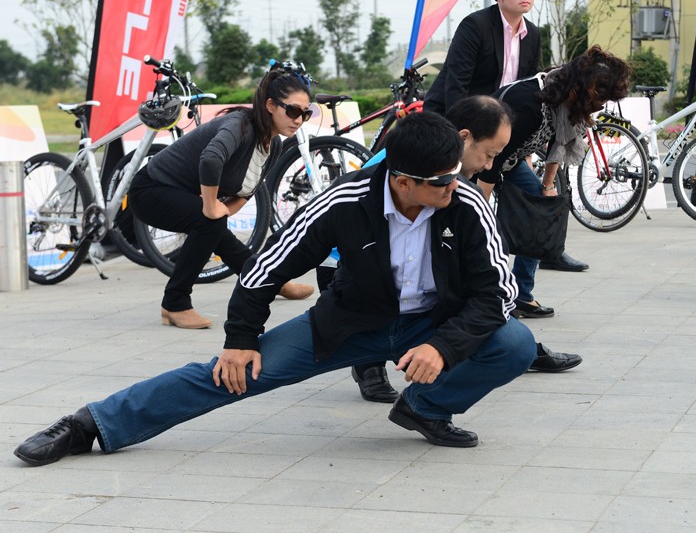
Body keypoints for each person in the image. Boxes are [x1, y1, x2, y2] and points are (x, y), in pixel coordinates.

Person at [14, 113, 537, 466]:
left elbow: (498, 296)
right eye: (443, 181)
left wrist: (442, 346)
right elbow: (263, 269)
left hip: (432, 325)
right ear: (402, 181)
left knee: (515, 343)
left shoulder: (465, 206)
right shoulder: (343, 202)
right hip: (350, 325)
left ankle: (425, 407)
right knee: (231, 375)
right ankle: (92, 424)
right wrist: (240, 337)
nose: (457, 185)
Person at [350, 95, 584, 403]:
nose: (490, 166)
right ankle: (368, 365)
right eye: (489, 154)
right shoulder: (410, 164)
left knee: (480, 283)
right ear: (464, 137)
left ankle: (504, 342)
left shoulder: (449, 175)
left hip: (407, 281)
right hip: (357, 278)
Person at [422, 0, 587, 274]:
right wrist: (462, 139)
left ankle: (530, 279)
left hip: (502, 137)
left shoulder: (533, 34)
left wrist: (521, 147)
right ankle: (445, 260)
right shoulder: (475, 26)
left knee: (534, 195)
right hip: (459, 128)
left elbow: (530, 91)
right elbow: (455, 85)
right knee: (455, 198)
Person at [128, 66, 315, 329]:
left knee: (216, 229)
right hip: (150, 189)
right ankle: (175, 304)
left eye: (305, 114)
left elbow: (249, 190)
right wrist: (209, 205)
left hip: (178, 193)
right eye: (293, 111)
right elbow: (211, 159)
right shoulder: (239, 124)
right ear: (271, 105)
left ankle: (268, 279)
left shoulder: (273, 145)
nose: (299, 119)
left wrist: (223, 210)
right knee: (210, 222)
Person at [476, 46, 630, 319]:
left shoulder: (565, 102)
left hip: (510, 161)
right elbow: (491, 163)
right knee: (480, 229)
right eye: (601, 97)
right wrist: (476, 210)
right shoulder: (531, 104)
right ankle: (485, 296)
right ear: (584, 89)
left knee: (541, 214)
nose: (602, 105)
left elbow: (559, 142)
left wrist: (547, 186)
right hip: (479, 161)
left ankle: (522, 295)